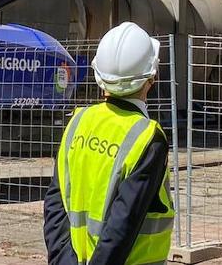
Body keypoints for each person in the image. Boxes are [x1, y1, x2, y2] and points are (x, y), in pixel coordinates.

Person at [44, 22, 174, 265]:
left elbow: (55, 204)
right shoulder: (147, 138)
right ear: (151, 77)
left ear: (97, 75)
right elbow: (121, 227)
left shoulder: (78, 122)